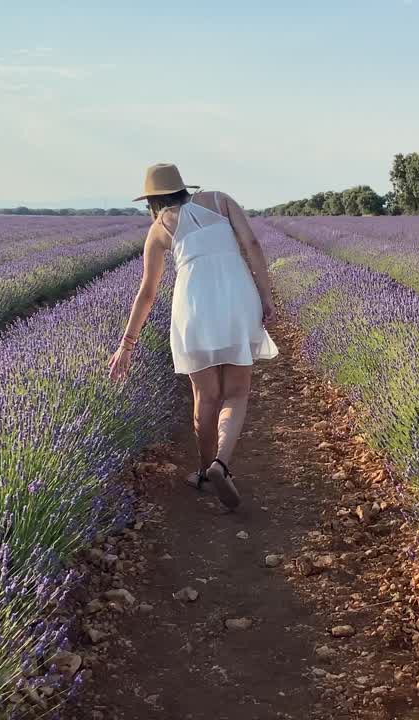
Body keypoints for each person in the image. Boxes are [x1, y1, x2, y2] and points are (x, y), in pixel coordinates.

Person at [109, 163, 278, 509]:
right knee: (236, 393)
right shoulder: (220, 200)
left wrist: (126, 345)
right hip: (236, 302)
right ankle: (222, 464)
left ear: (153, 200)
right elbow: (253, 244)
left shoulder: (159, 229)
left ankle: (204, 471)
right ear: (183, 188)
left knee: (205, 397)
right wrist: (265, 296)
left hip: (194, 309)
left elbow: (148, 292)